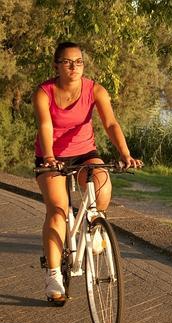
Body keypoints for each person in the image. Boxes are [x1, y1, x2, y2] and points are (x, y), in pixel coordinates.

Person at [33, 41, 142, 304]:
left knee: (102, 184)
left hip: (84, 152)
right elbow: (46, 126)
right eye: (68, 62)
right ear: (56, 66)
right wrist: (48, 157)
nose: (74, 67)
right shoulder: (44, 92)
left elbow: (111, 123)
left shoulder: (96, 90)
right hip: (52, 157)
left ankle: (94, 226)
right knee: (58, 211)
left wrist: (124, 154)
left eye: (79, 61)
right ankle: (54, 274)